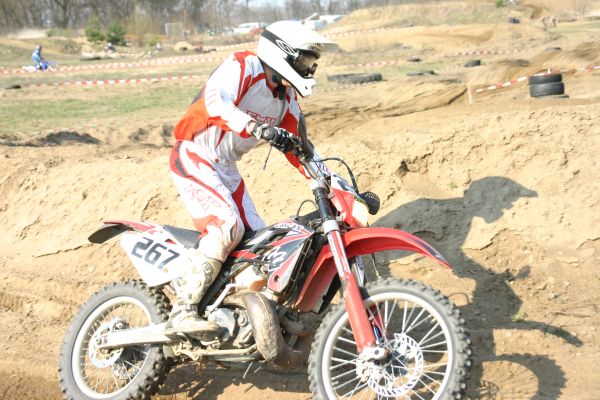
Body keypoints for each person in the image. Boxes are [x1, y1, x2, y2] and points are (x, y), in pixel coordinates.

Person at [167, 21, 337, 335]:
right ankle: (183, 310)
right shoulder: (243, 66)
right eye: (304, 60)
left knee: (264, 246)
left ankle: (235, 312)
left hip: (227, 168)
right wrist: (255, 126)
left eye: (311, 63)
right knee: (227, 226)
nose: (308, 68)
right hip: (194, 152)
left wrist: (336, 184)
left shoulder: (286, 100)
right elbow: (215, 100)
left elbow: (303, 150)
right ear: (281, 53)